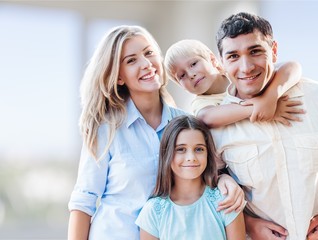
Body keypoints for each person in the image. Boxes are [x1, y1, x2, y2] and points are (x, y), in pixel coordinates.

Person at [67, 25, 243, 240]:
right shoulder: (106, 129)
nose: (146, 64)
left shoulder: (185, 124)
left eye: (149, 53)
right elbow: (83, 201)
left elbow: (207, 177)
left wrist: (226, 180)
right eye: (131, 60)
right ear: (119, 77)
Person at [213, 12, 318, 240]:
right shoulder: (214, 128)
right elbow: (205, 190)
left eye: (255, 51)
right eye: (233, 56)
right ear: (221, 62)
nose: (246, 66)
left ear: (273, 51)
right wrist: (247, 224)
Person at [135, 115, 247, 240]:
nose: (191, 157)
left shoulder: (226, 201)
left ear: (207, 154)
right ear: (167, 154)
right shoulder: (153, 211)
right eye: (181, 149)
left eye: (199, 149)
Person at [164, 39, 305, 128]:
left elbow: (292, 66)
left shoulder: (237, 73)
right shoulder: (201, 102)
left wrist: (270, 98)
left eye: (194, 64)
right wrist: (259, 108)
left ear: (213, 60)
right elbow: (206, 117)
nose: (191, 74)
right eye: (182, 76)